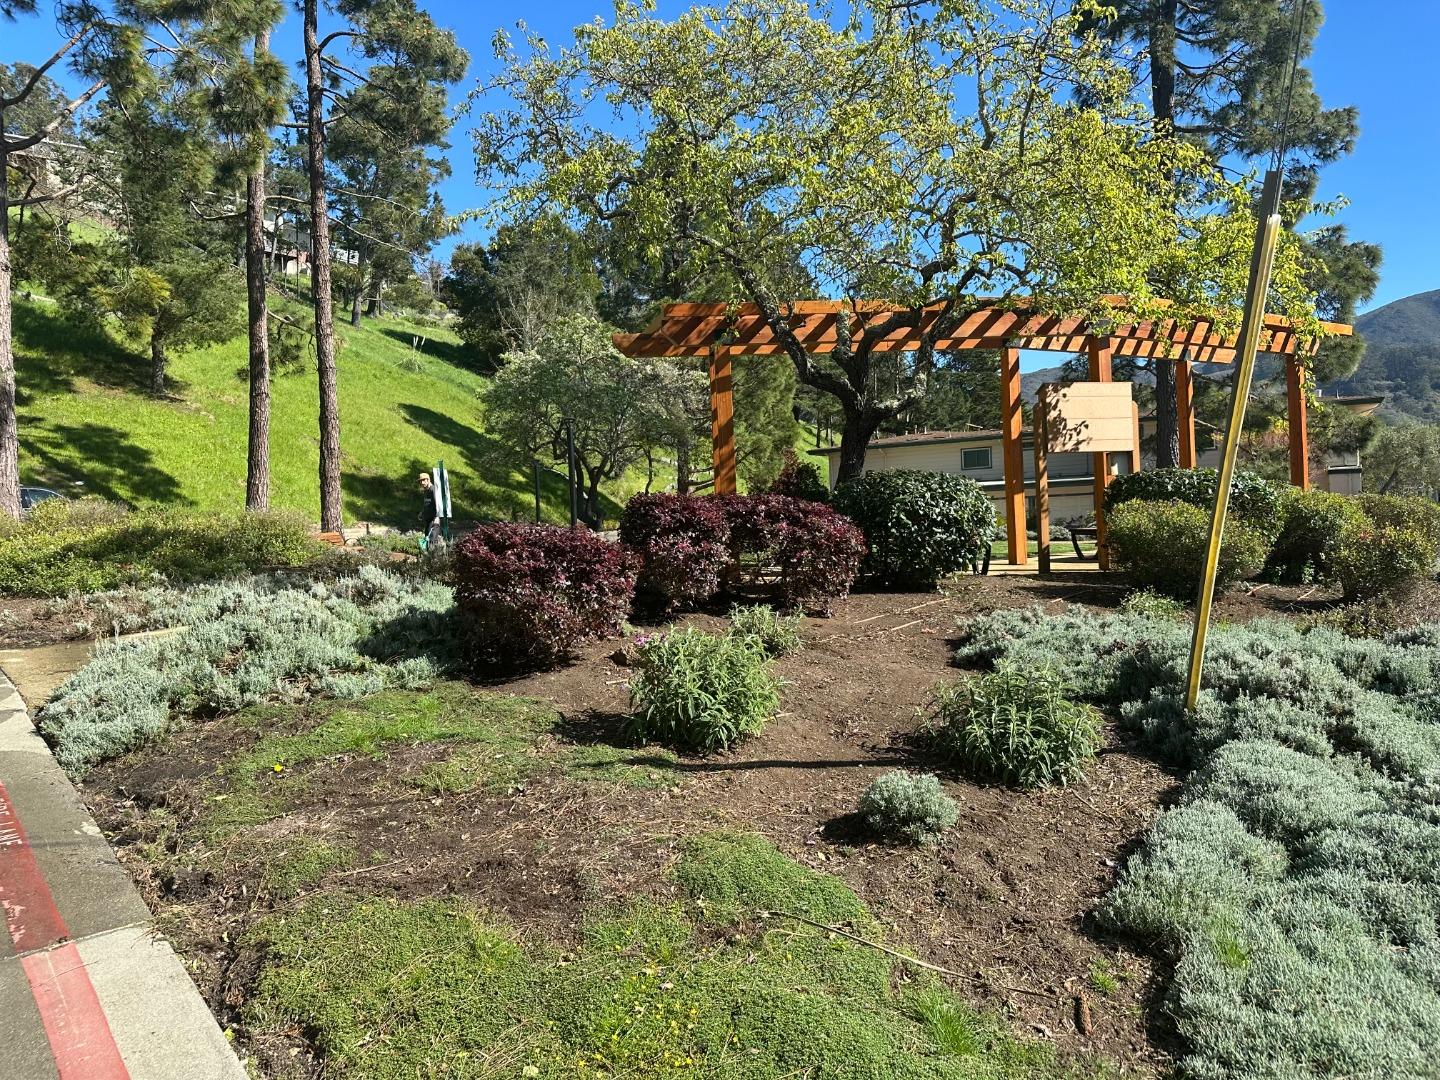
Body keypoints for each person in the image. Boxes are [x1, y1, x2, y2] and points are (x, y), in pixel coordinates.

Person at [418, 472, 442, 552]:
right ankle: (428, 559)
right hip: (428, 519)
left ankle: (433, 560)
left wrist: (437, 517)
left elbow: (438, 503)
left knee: (432, 541)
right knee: (427, 539)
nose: (422, 483)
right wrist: (422, 512)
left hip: (434, 519)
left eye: (423, 480)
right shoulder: (426, 491)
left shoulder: (433, 489)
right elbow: (427, 503)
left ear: (428, 480)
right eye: (420, 481)